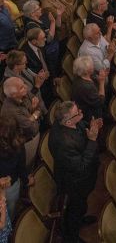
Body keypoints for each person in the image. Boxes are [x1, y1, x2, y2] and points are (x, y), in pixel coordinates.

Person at [49, 100, 101, 243]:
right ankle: (71, 236)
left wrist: (91, 126)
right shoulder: (63, 143)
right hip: (75, 182)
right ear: (68, 122)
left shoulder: (69, 122)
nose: (81, 113)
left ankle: (80, 219)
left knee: (80, 206)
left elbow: (80, 126)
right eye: (77, 113)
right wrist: (92, 140)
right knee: (74, 208)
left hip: (82, 179)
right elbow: (81, 167)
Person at [1, 77, 41, 168]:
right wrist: (34, 115)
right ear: (14, 94)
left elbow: (38, 110)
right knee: (28, 164)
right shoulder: (11, 110)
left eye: (24, 84)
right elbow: (31, 127)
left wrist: (33, 113)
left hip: (33, 135)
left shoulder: (23, 96)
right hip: (26, 143)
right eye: (22, 87)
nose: (26, 87)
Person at [0, 117, 31, 221]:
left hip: (8, 185)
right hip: (10, 186)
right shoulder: (19, 147)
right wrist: (27, 181)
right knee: (9, 211)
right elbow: (21, 169)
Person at [71, 56, 106, 123]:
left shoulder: (81, 77)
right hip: (89, 115)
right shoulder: (86, 86)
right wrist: (102, 82)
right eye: (91, 65)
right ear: (86, 71)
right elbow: (101, 101)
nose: (93, 66)